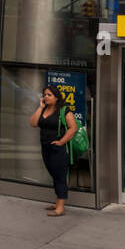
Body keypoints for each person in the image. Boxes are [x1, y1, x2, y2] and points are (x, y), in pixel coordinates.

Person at [29, 85, 77, 216]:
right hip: (45, 147)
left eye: (49, 95)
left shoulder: (64, 110)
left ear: (57, 97)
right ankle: (58, 202)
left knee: (60, 176)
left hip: (58, 148)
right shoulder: (43, 109)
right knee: (54, 175)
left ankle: (60, 207)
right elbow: (33, 123)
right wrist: (40, 106)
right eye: (44, 94)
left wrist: (61, 142)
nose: (46, 97)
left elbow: (73, 128)